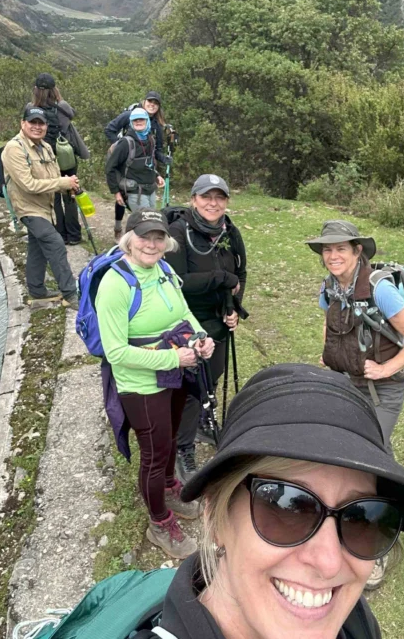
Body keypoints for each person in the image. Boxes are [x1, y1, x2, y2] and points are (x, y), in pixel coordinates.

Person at [153, 363, 404, 639]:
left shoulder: (354, 621)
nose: (328, 564)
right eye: (288, 506)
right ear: (215, 517)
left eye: (362, 518)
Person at [95, 208, 215, 560]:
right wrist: (172, 359)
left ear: (166, 242)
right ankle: (159, 521)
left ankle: (168, 486)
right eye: (144, 236)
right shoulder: (115, 285)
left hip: (174, 372)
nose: (151, 243)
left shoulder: (164, 270)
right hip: (142, 383)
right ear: (128, 239)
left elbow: (183, 313)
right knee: (155, 452)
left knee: (171, 437)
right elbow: (116, 352)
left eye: (158, 237)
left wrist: (201, 335)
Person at [306, 220, 404, 454]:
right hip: (345, 380)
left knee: (366, 449)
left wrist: (385, 369)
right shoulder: (330, 286)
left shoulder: (380, 289)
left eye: (341, 248)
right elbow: (329, 319)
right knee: (364, 443)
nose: (333, 256)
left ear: (357, 251)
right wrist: (329, 351)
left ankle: (387, 485)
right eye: (327, 249)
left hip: (383, 389)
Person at [164, 174, 247, 483]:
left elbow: (241, 272)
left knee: (212, 375)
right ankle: (182, 449)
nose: (213, 203)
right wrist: (220, 279)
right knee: (190, 387)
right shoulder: (178, 232)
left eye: (219, 197)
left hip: (218, 321)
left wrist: (234, 308)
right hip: (185, 323)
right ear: (194, 200)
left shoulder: (230, 231)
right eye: (206, 196)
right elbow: (177, 282)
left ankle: (200, 421)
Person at [1, 106, 80, 307]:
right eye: (32, 122)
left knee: (37, 247)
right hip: (27, 208)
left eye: (41, 123)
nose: (37, 127)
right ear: (23, 124)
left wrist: (68, 185)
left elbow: (52, 178)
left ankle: (36, 290)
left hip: (46, 208)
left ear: (45, 126)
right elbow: (28, 184)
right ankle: (71, 294)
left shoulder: (45, 147)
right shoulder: (14, 148)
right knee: (54, 243)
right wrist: (62, 183)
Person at [31, 73, 88, 245]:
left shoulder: (31, 109)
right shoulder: (62, 106)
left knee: (53, 195)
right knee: (70, 193)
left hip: (45, 158)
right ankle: (74, 235)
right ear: (55, 89)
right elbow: (72, 115)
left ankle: (60, 234)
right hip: (66, 156)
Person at [105, 91, 169, 240]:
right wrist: (118, 146)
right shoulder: (126, 138)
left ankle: (133, 241)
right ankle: (128, 240)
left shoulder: (152, 135)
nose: (139, 122)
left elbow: (151, 158)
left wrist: (157, 174)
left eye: (142, 120)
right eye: (136, 121)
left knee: (150, 217)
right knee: (144, 221)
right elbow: (110, 167)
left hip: (148, 185)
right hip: (132, 185)